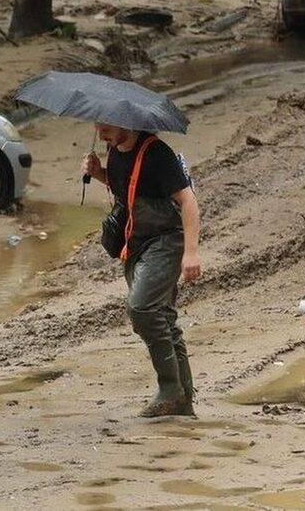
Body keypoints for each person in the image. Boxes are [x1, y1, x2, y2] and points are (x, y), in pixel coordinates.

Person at [83, 123, 201, 417]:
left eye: (106, 127)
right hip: (135, 244)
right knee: (163, 317)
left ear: (126, 122)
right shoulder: (116, 151)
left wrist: (191, 253)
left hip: (165, 241)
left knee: (141, 309)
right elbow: (126, 187)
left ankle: (169, 388)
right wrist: (98, 172)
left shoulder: (158, 154)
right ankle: (182, 403)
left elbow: (188, 201)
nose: (101, 135)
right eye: (97, 127)